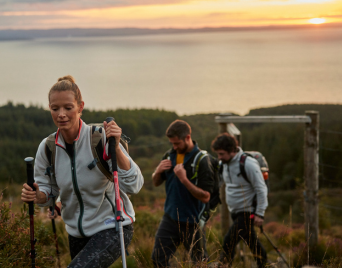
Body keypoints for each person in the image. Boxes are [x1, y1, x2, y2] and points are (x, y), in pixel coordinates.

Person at [21, 75, 144, 268]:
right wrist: (37, 195)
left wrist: (117, 147)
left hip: (112, 226)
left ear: (80, 107)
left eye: (68, 108)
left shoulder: (100, 139)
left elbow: (134, 185)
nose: (61, 114)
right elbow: (48, 191)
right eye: (55, 108)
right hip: (76, 233)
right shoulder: (48, 147)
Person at [151, 120, 216, 267]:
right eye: (172, 143)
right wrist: (158, 171)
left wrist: (184, 179)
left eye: (177, 143)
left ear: (188, 138)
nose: (174, 147)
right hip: (170, 218)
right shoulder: (169, 155)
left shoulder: (202, 161)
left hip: (192, 222)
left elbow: (206, 197)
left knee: (200, 263)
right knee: (158, 259)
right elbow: (156, 182)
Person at [211, 133, 267, 268]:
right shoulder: (224, 164)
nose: (219, 157)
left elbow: (261, 189)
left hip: (247, 211)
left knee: (228, 241)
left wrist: (260, 213)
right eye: (218, 154)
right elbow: (219, 184)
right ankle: (264, 264)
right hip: (235, 211)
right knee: (251, 241)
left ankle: (224, 265)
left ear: (232, 151)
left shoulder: (248, 164)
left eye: (222, 154)